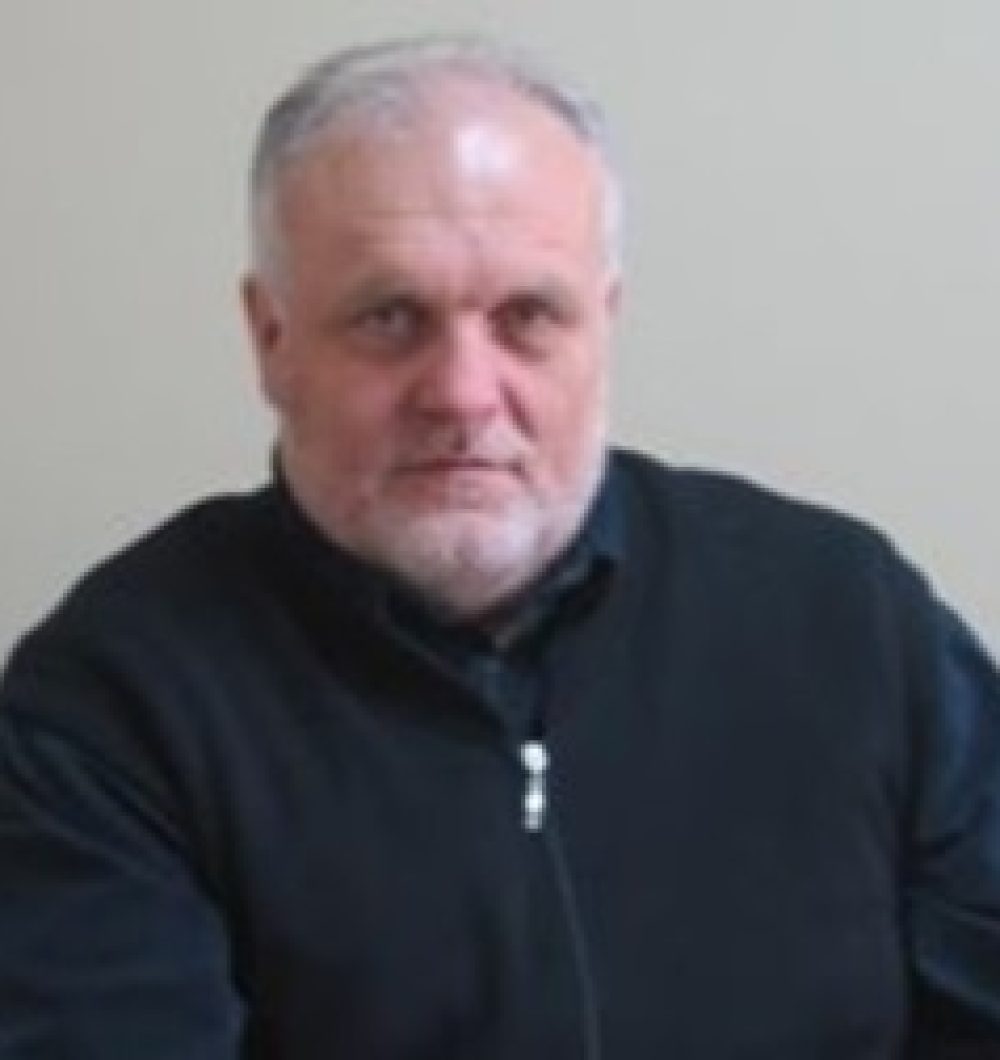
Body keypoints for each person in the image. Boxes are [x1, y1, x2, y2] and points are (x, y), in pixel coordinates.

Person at [1, 35, 998, 1060]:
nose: (463, 394)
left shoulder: (853, 622)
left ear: (603, 323)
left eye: (527, 316)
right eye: (391, 317)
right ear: (272, 339)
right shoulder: (113, 702)